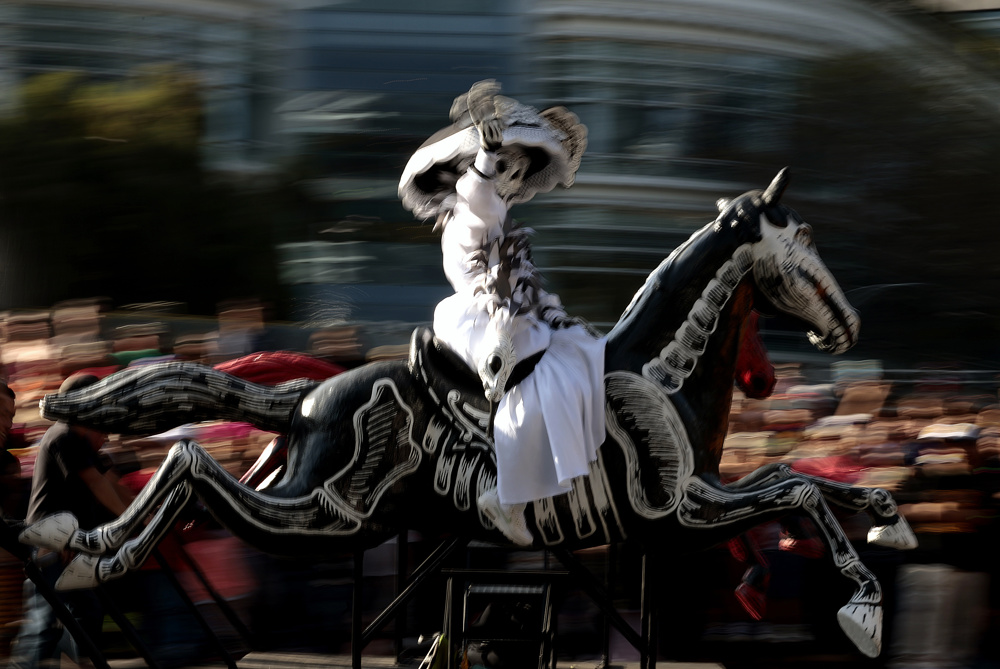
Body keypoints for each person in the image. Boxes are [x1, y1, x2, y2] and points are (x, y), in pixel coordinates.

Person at [399, 81, 605, 545]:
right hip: (478, 318)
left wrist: (555, 315)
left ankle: (563, 476)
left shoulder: (503, 225)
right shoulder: (469, 214)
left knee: (582, 350)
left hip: (510, 315)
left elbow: (525, 287)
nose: (511, 178)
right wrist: (487, 157)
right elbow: (479, 200)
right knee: (537, 370)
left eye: (518, 171)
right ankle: (507, 497)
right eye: (505, 168)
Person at [9, 374, 133, 668]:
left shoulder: (83, 442)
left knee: (87, 611)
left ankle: (77, 661)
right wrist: (130, 519)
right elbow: (96, 483)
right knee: (45, 620)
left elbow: (111, 482)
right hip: (49, 541)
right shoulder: (63, 435)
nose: (106, 433)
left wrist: (146, 511)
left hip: (70, 542)